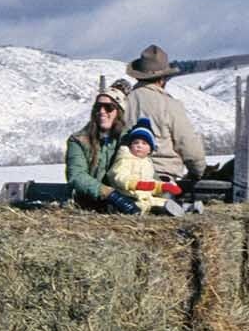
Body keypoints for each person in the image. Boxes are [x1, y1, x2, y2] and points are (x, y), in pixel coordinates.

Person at [123, 44, 207, 184]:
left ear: (138, 77)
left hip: (127, 177)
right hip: (163, 178)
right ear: (162, 80)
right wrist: (198, 172)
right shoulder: (171, 105)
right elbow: (189, 145)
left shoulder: (123, 102)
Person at [64, 80, 139, 213]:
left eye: (108, 107)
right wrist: (109, 194)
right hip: (89, 204)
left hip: (127, 201)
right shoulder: (78, 140)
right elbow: (76, 175)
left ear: (119, 112)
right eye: (98, 107)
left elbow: (144, 165)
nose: (102, 111)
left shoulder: (131, 139)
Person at [106, 118, 184, 215]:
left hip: (146, 198)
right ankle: (166, 210)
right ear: (130, 145)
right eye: (136, 143)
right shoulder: (125, 159)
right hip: (129, 195)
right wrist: (135, 184)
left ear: (149, 149)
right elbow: (118, 177)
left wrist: (162, 186)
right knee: (135, 206)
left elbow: (150, 184)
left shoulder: (147, 163)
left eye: (144, 143)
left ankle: (183, 207)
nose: (139, 146)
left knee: (162, 202)